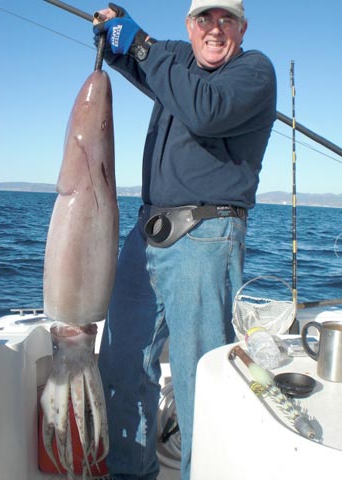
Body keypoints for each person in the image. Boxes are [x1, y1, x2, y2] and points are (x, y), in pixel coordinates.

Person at [93, 1, 276, 478]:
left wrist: (141, 44)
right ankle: (129, 471)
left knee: (201, 384)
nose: (215, 29)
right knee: (122, 364)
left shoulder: (254, 72)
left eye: (226, 19)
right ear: (189, 26)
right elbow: (144, 64)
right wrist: (116, 36)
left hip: (206, 237)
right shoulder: (177, 62)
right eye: (204, 19)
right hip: (146, 237)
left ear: (242, 27)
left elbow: (204, 110)